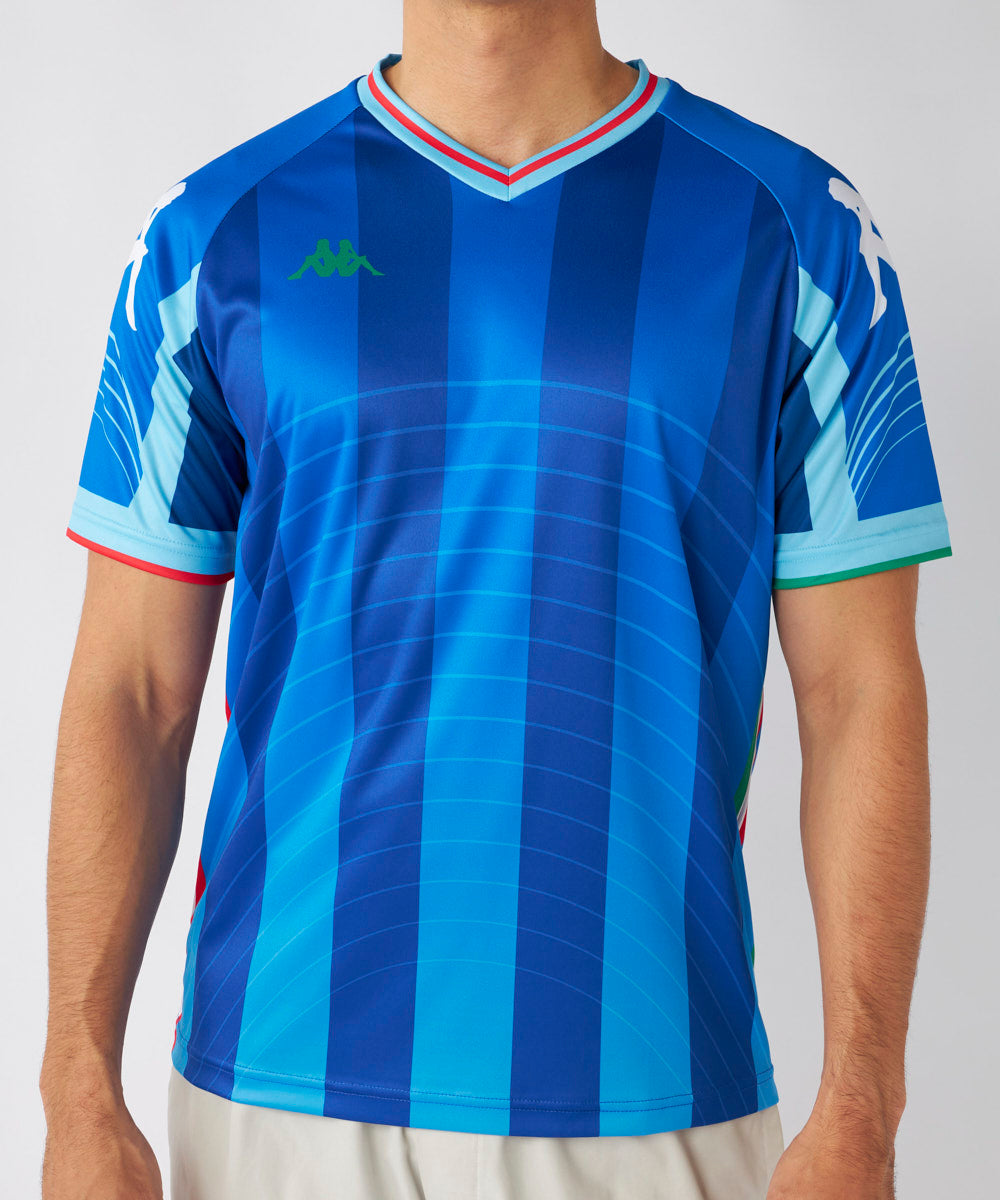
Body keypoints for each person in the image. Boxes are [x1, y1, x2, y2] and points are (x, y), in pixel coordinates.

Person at [40, 1, 953, 1197]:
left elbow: (860, 692)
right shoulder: (215, 234)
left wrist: (862, 1107)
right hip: (276, 1084)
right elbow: (131, 689)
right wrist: (76, 1090)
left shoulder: (794, 231)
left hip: (649, 1082)